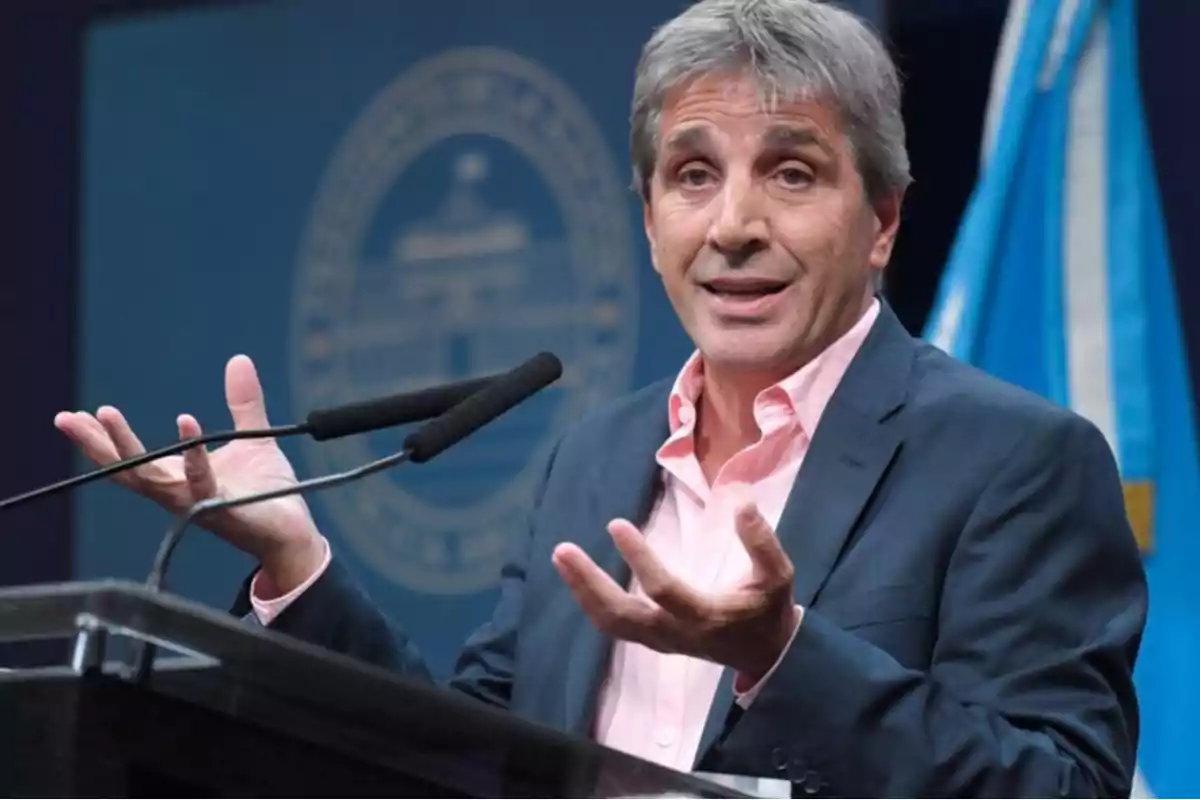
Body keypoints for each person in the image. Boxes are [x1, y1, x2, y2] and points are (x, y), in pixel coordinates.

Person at [56, 0, 1148, 795]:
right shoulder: (597, 458)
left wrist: (783, 655)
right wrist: (299, 563)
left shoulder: (1015, 459)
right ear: (649, 218)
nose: (733, 226)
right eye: (692, 174)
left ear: (885, 221)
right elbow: (471, 748)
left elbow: (1062, 788)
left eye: (793, 171)